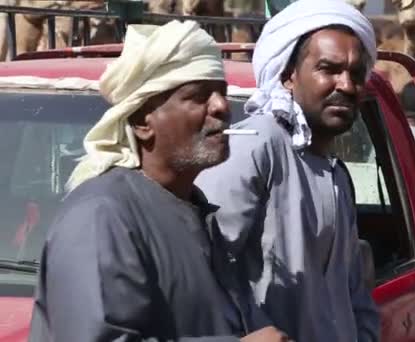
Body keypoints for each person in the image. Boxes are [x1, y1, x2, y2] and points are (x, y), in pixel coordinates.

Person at [28, 20, 287, 342]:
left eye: (221, 93)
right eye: (198, 96)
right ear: (141, 122)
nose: (221, 107)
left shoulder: (195, 210)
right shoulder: (103, 215)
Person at [195, 1, 380, 341]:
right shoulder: (256, 145)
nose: (347, 85)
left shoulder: (335, 173)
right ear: (287, 74)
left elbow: (354, 294)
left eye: (355, 74)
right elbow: (205, 270)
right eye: (329, 69)